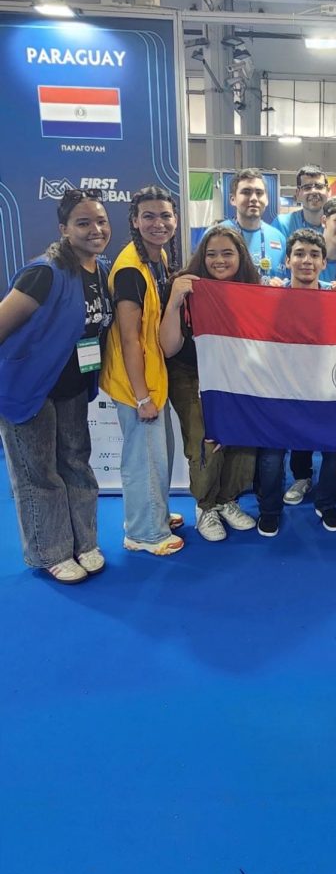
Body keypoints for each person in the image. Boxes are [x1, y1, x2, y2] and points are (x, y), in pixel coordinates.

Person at [0, 189, 112, 583]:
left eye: (101, 221)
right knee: (39, 473)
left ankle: (84, 542)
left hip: (73, 388)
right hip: (30, 391)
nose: (95, 229)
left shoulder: (99, 270)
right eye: (83, 223)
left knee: (76, 465)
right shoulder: (44, 272)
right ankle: (50, 551)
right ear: (64, 229)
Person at [100, 186, 184, 557]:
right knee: (144, 458)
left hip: (153, 373)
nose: (158, 223)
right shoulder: (131, 269)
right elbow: (129, 338)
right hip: (137, 380)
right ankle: (144, 533)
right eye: (148, 216)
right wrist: (141, 396)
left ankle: (154, 514)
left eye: (165, 215)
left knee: (158, 454)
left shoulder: (158, 256)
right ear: (134, 221)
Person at [159, 227, 258, 541]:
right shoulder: (186, 285)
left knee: (242, 439)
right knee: (206, 441)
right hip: (192, 374)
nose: (219, 260)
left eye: (227, 253)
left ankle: (226, 499)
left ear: (240, 256)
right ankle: (205, 507)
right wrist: (175, 302)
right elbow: (169, 348)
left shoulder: (252, 289)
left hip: (236, 375)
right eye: (211, 253)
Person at [256, 229, 336, 536]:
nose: (306, 261)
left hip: (326, 389)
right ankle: (269, 509)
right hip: (280, 389)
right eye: (299, 254)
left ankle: (327, 503)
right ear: (287, 261)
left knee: (335, 449)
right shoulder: (271, 298)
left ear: (324, 263)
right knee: (271, 454)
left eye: (313, 255)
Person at [283, 196, 336, 506]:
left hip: (335, 355)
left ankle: (334, 479)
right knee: (300, 414)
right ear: (324, 219)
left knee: (334, 416)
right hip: (296, 355)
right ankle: (302, 476)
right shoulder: (301, 253)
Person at [220, 169, 286, 282]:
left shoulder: (278, 237)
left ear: (267, 200)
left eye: (259, 193)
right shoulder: (217, 235)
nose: (254, 198)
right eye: (246, 192)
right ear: (233, 199)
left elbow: (287, 280)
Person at [273, 165, 331, 240]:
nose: (313, 191)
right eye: (307, 187)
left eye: (319, 186)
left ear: (328, 191)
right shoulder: (282, 224)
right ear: (297, 193)